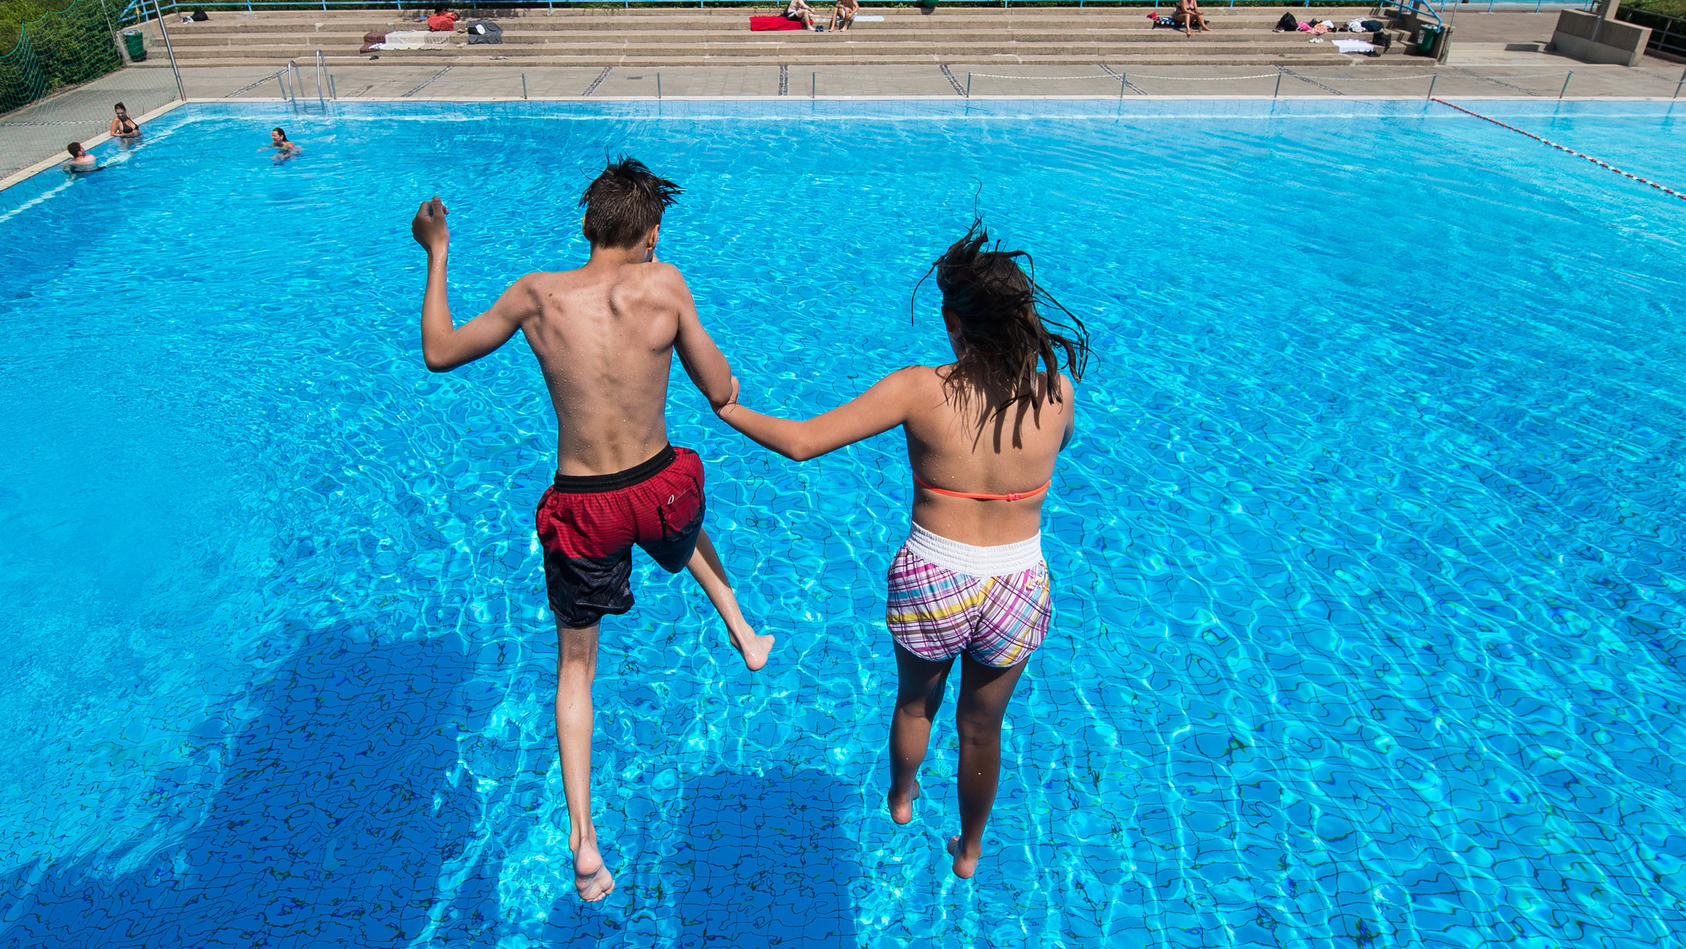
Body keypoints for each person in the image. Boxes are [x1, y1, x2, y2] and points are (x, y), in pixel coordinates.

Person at [408, 158, 774, 902]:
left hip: (584, 506)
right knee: (688, 514)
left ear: (585, 226)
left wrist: (438, 252)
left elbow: (439, 352)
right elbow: (719, 387)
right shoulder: (665, 285)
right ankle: (741, 627)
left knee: (576, 669)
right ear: (652, 233)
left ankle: (583, 841)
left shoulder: (536, 295)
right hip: (659, 486)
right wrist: (696, 336)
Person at [714, 224, 1089, 880]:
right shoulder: (1057, 392)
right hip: (1016, 580)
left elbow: (803, 442)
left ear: (954, 322)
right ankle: (969, 851)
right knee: (982, 728)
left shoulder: (923, 389)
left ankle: (901, 797)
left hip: (934, 573)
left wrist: (730, 408)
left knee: (916, 703)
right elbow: (1057, 448)